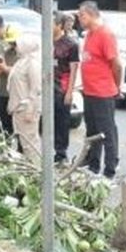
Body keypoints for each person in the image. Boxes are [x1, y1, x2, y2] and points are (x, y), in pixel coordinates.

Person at [77, 1, 122, 179]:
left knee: (107, 131)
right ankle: (93, 163)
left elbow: (116, 64)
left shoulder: (105, 34)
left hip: (103, 91)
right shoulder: (89, 35)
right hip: (89, 90)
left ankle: (110, 167)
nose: (79, 19)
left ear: (92, 14)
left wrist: (116, 86)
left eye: (82, 15)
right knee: (92, 130)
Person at [6, 32, 43, 163]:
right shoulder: (22, 61)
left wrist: (30, 110)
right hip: (18, 108)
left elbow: (36, 89)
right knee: (23, 142)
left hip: (26, 109)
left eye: (18, 45)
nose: (15, 48)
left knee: (30, 143)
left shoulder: (33, 63)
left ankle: (37, 171)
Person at [52, 12, 81, 164]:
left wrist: (70, 91)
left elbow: (74, 69)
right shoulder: (45, 42)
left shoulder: (70, 45)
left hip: (62, 88)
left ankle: (61, 153)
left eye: (51, 24)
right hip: (47, 87)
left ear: (59, 25)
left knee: (62, 122)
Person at [0, 24, 20, 138]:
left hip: (17, 93)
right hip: (4, 91)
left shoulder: (23, 54)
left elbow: (20, 72)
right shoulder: (6, 52)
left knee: (18, 125)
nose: (12, 44)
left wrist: (6, 68)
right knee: (4, 123)